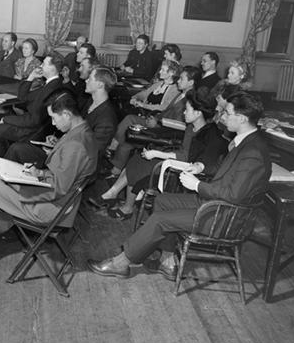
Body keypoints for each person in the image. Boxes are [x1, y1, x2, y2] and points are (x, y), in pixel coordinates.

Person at [87, 91, 271, 281]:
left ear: (241, 118)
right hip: (215, 204)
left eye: (227, 113)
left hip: (224, 217)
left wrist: (197, 185)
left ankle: (121, 263)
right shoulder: (246, 141)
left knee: (160, 220)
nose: (222, 116)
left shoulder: (253, 152)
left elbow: (234, 195)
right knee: (161, 201)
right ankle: (168, 262)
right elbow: (228, 171)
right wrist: (201, 166)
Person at [0, 91, 99, 268]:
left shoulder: (76, 145)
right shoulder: (82, 132)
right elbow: (64, 174)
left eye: (54, 118)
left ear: (66, 114)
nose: (53, 123)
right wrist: (39, 173)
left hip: (49, 208)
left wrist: (24, 187)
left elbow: (58, 188)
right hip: (56, 200)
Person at [102, 90, 228, 221]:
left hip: (181, 172)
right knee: (138, 159)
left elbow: (187, 158)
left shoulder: (210, 134)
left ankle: (127, 207)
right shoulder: (191, 127)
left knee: (140, 164)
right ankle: (115, 195)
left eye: (187, 110)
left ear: (198, 113)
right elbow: (183, 152)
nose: (184, 112)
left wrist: (157, 154)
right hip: (177, 163)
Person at [6, 65, 118, 164]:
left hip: (70, 163)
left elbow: (92, 153)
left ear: (100, 85)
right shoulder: (90, 102)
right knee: (17, 148)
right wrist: (59, 140)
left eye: (91, 78)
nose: (86, 80)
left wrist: (59, 150)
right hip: (63, 150)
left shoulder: (107, 118)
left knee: (16, 149)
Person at [105, 63, 191, 174]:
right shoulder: (159, 84)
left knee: (129, 122)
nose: (160, 72)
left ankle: (112, 149)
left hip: (160, 124)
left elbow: (163, 108)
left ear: (171, 73)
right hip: (152, 117)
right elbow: (144, 93)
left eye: (163, 70)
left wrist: (144, 107)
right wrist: (135, 98)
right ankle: (115, 167)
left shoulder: (176, 91)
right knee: (126, 130)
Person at [0, 54, 64, 143]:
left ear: (52, 68)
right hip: (33, 124)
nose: (41, 66)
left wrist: (6, 119)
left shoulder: (51, 88)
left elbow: (33, 120)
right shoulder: (52, 84)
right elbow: (23, 97)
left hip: (33, 131)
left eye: (44, 64)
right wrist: (31, 77)